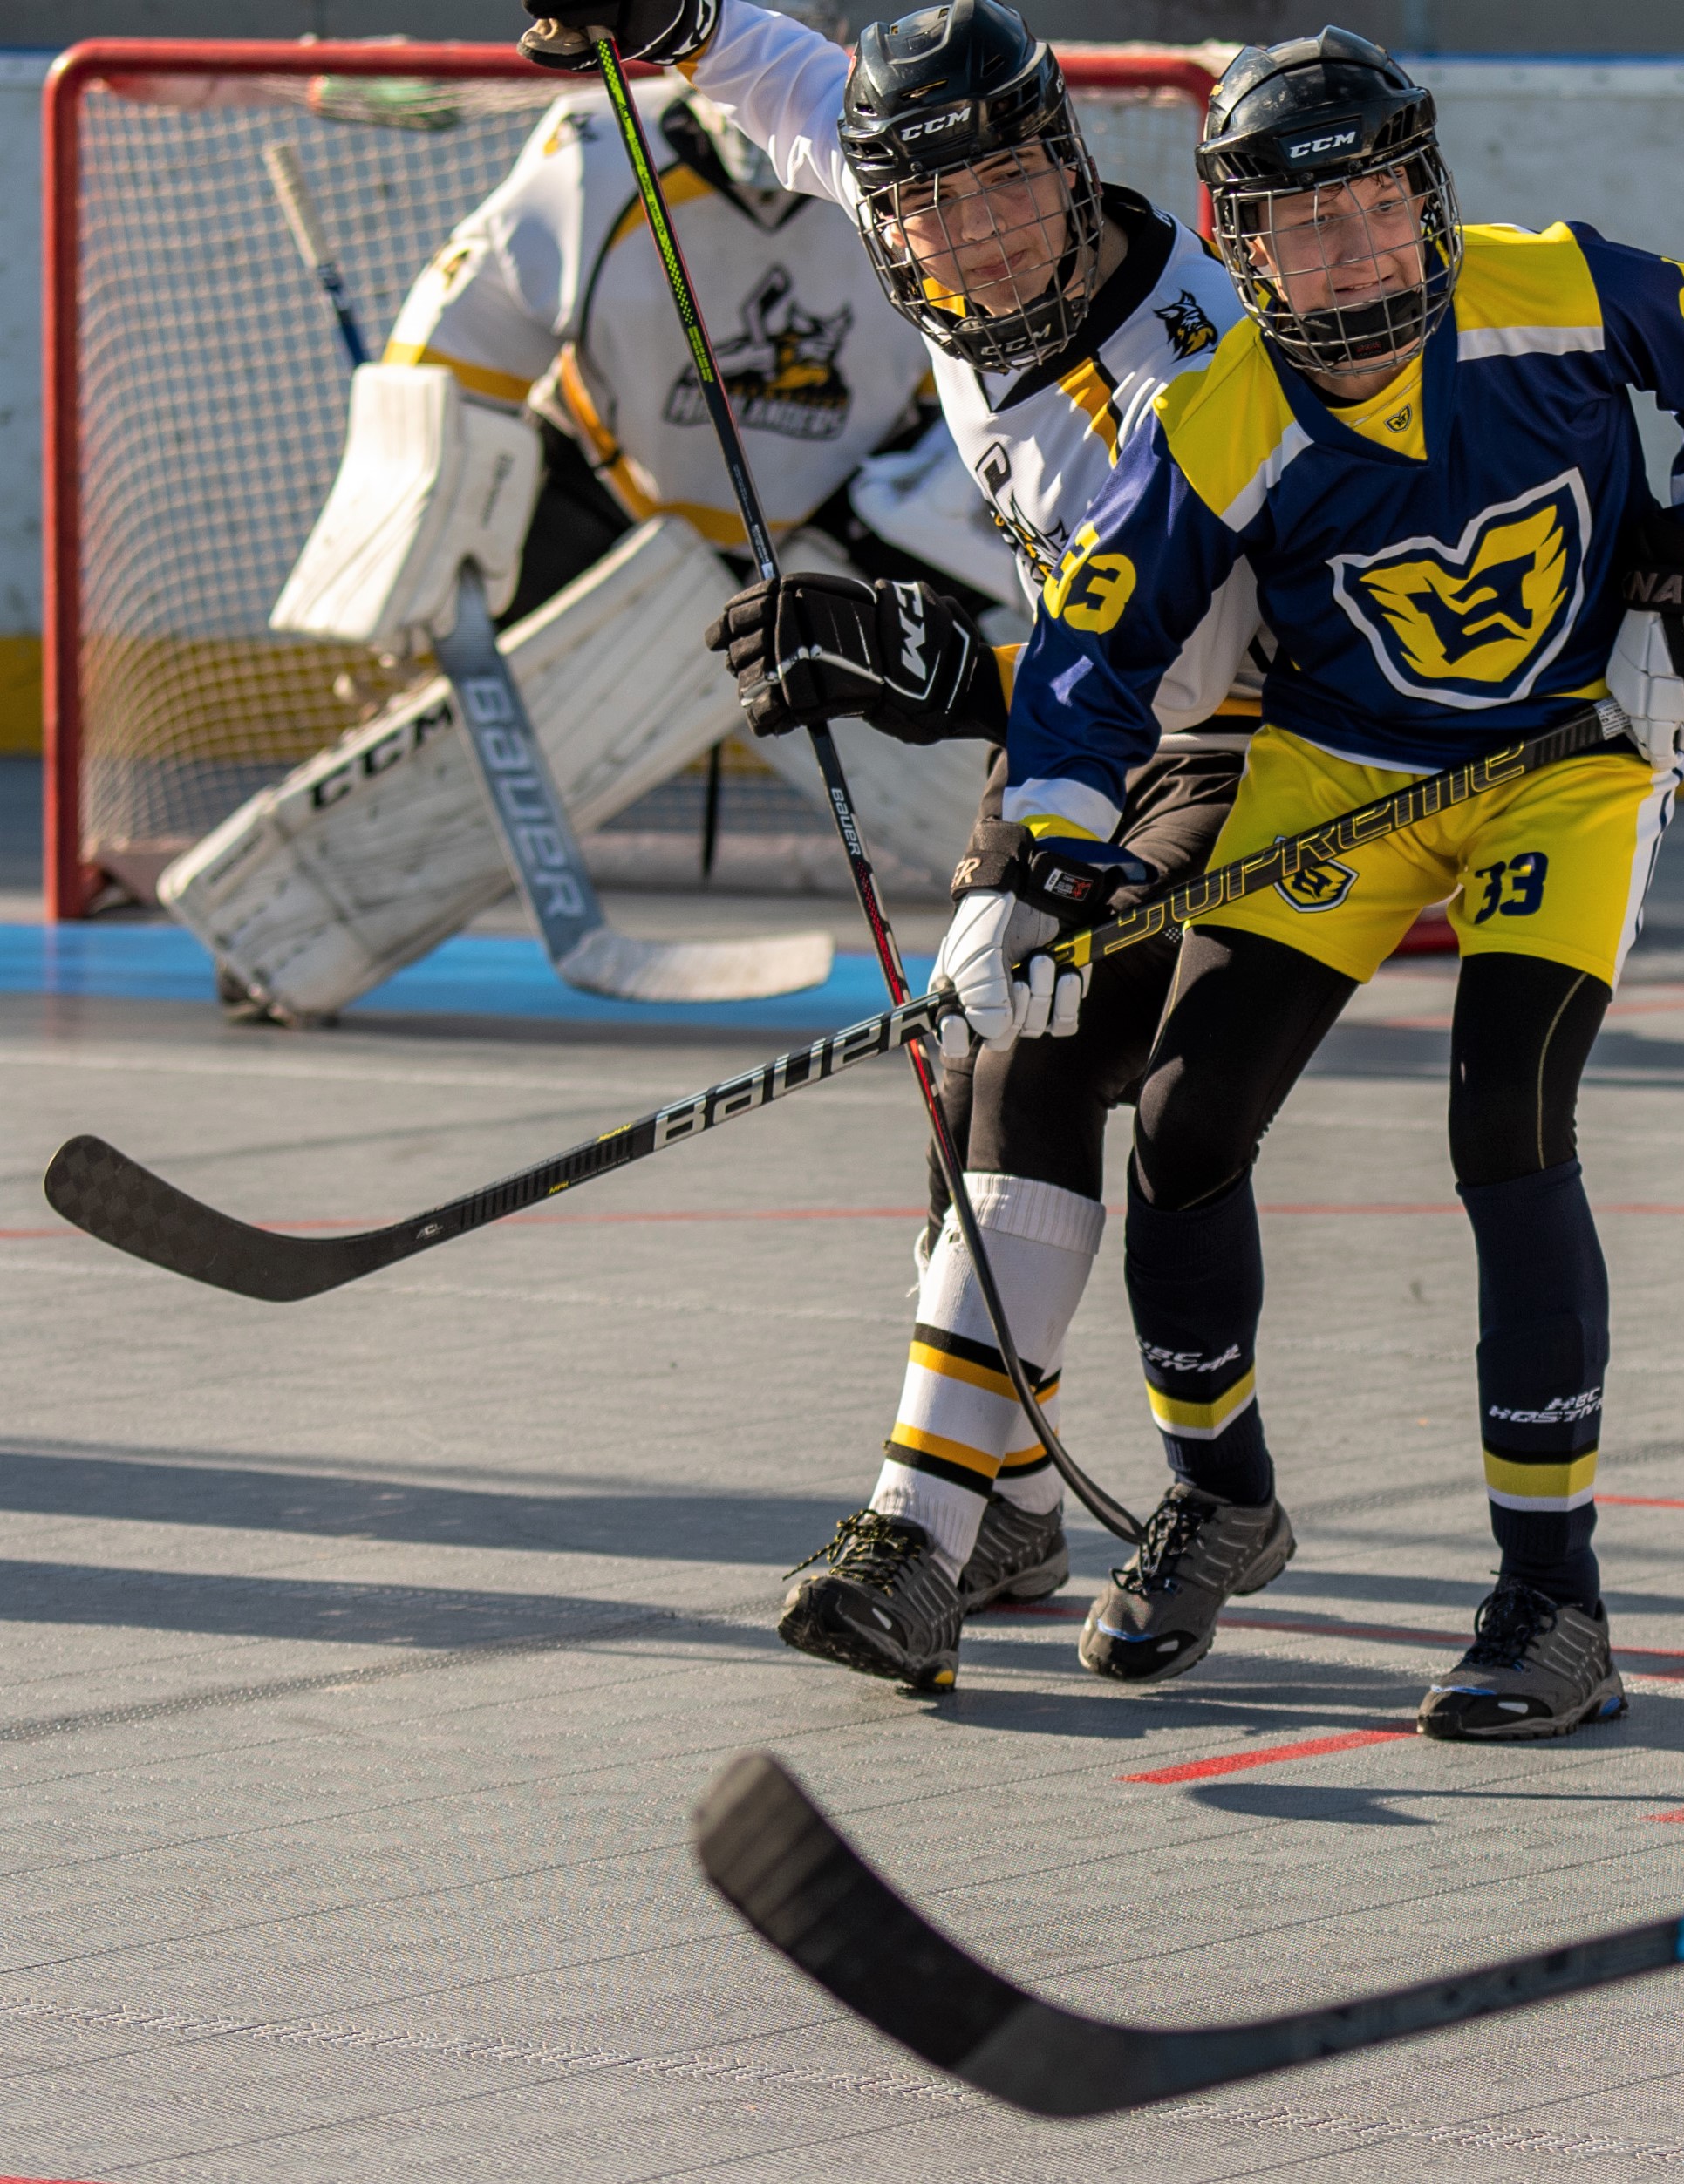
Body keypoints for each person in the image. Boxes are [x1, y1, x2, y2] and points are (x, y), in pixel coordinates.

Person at [928, 27, 1684, 1738]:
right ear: (1240, 250)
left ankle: (1557, 1601)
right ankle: (1218, 1496)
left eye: (1375, 209)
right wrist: (1043, 869)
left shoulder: (1551, 288)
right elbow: (1100, 662)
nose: (1348, 254)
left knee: (1504, 1117)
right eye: (1301, 230)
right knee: (1179, 1123)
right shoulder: (1223, 415)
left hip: (1570, 757)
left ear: (1427, 199)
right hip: (1336, 774)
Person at [523, 0, 1268, 1692]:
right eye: (925, 206)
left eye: (1007, 185)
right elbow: (798, 92)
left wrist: (939, 681)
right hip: (1079, 712)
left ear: (1067, 164)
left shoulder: (1183, 374)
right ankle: (1006, 1501)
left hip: (1234, 742)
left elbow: (1180, 671)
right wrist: (675, 20)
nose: (972, 233)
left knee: (1039, 1057)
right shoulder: (931, 211)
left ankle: (913, 1535)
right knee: (970, 1078)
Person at [198, 47, 969, 1024]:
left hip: (835, 519)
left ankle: (1100, 898)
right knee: (478, 714)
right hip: (604, 498)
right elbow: (448, 353)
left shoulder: (918, 168)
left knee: (972, 683)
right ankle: (287, 925)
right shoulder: (599, 150)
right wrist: (419, 530)